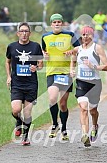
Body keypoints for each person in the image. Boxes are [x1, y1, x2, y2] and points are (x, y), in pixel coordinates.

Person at [64, 26, 107, 147]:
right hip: (81, 82)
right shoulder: (77, 49)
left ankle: (95, 126)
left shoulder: (97, 48)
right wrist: (72, 71)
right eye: (83, 34)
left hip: (95, 83)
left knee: (93, 111)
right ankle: (85, 135)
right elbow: (73, 61)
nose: (85, 37)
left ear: (92, 35)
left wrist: (93, 66)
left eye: (88, 34)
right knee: (83, 108)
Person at [41, 13, 80, 141]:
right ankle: (54, 124)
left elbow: (79, 48)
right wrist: (44, 54)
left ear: (62, 23)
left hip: (66, 72)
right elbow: (43, 50)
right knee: (52, 99)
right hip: (52, 72)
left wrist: (72, 51)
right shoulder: (45, 37)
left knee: (63, 104)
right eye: (54, 22)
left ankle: (64, 128)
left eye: (59, 22)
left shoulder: (70, 35)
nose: (57, 24)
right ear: (51, 24)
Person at [5, 22, 44, 145]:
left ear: (30, 33)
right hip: (16, 83)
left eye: (26, 31)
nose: (24, 33)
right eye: (21, 31)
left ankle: (25, 137)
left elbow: (41, 64)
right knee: (16, 110)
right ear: (18, 33)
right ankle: (18, 122)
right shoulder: (11, 46)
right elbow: (7, 62)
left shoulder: (35, 46)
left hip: (31, 84)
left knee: (27, 112)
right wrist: (8, 76)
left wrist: (36, 68)